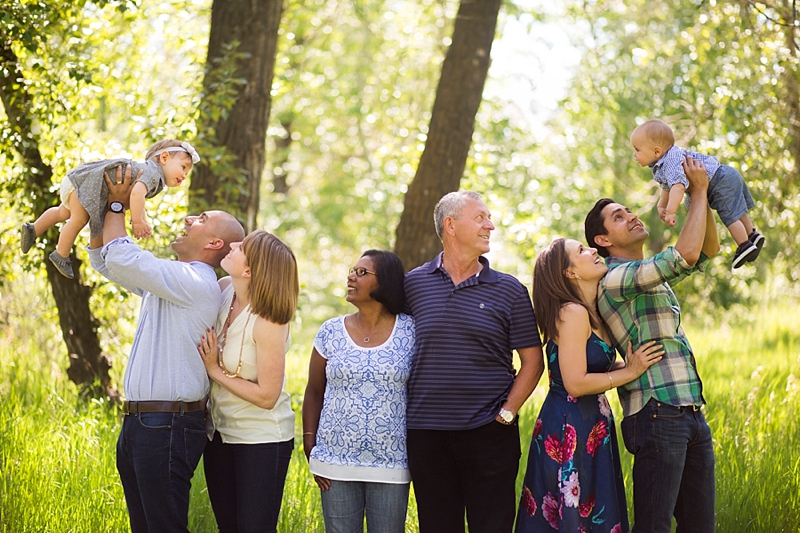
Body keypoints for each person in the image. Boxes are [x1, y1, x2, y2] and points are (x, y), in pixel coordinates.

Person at [89, 164, 245, 533]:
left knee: (164, 527)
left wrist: (117, 206)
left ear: (213, 244)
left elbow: (124, 256)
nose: (190, 218)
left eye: (202, 219)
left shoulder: (194, 282)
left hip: (167, 425)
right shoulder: (173, 282)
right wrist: (103, 206)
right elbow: (106, 260)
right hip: (144, 423)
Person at [584, 156, 720, 533]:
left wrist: (698, 196)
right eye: (617, 217)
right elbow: (686, 254)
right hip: (657, 412)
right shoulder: (613, 278)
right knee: (653, 525)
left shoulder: (649, 277)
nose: (631, 216)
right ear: (603, 240)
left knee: (699, 526)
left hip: (690, 410)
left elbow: (709, 249)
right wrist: (699, 192)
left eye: (628, 210)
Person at [404, 190, 545, 533]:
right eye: (480, 217)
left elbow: (533, 362)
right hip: (427, 434)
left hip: (490, 434)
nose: (490, 226)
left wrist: (506, 414)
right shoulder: (413, 284)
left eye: (489, 218)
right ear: (450, 225)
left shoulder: (509, 290)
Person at [515, 238, 664, 533]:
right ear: (570, 273)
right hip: (569, 425)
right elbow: (575, 383)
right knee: (573, 515)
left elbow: (597, 368)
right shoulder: (572, 312)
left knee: (593, 511)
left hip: (593, 424)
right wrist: (630, 371)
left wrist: (636, 365)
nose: (593, 251)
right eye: (581, 251)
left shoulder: (593, 310)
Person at [302, 250, 415, 533]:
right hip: (334, 462)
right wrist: (309, 443)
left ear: (385, 282)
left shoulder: (411, 332)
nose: (351, 276)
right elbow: (314, 392)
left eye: (362, 272)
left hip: (392, 463)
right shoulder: (330, 331)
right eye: (353, 270)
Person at [197, 230, 299, 533]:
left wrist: (215, 370)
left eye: (241, 247)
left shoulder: (269, 321)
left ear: (250, 270)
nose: (232, 244)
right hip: (219, 434)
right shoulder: (224, 288)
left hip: (261, 441)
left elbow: (268, 395)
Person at [21, 139, 199, 278]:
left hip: (80, 179)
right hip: (88, 184)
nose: (184, 175)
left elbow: (139, 198)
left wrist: (142, 220)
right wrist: (137, 222)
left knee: (63, 212)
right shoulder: (153, 172)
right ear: (164, 158)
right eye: (183, 167)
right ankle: (61, 254)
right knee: (78, 219)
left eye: (187, 172)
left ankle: (33, 229)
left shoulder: (151, 174)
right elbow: (137, 194)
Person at [630, 118, 763, 269]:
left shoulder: (671, 161)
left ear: (656, 151)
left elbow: (678, 187)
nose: (634, 155)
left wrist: (671, 211)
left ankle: (744, 245)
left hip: (719, 180)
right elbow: (667, 188)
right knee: (736, 210)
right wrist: (662, 205)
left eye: (637, 150)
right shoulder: (661, 165)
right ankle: (752, 235)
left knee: (729, 216)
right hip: (726, 174)